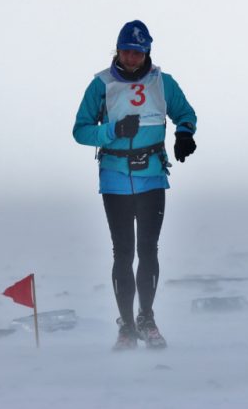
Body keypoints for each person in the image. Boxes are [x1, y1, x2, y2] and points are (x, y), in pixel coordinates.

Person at [73, 20, 197, 350]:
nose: (131, 58)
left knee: (149, 251)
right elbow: (81, 131)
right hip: (114, 178)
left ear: (147, 53)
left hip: (152, 175)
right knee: (123, 252)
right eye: (126, 51)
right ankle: (126, 327)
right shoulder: (101, 84)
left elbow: (186, 113)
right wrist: (113, 131)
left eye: (138, 52)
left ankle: (147, 318)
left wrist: (185, 133)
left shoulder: (163, 83)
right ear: (118, 50)